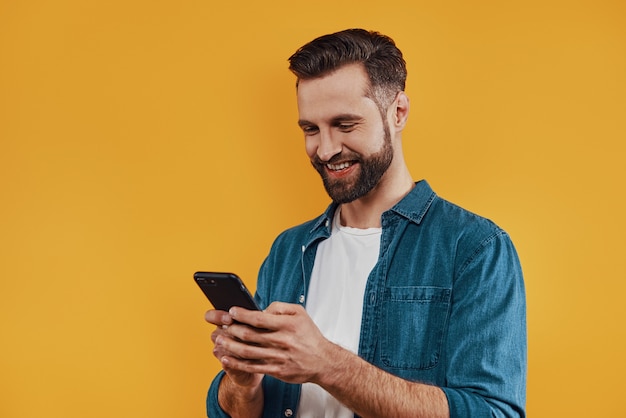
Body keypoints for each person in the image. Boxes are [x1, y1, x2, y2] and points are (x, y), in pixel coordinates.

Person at [204, 28, 527, 418]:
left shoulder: (474, 248)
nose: (325, 150)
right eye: (310, 129)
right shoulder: (288, 250)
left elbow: (493, 412)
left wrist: (328, 364)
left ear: (398, 112)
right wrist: (243, 383)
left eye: (344, 124)